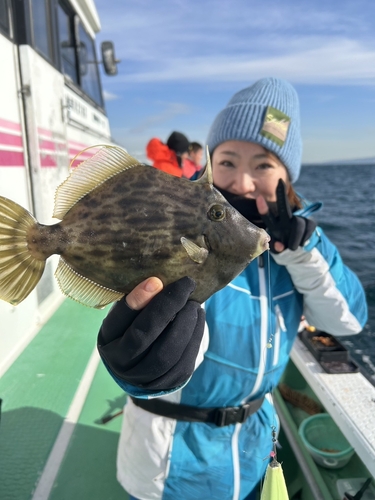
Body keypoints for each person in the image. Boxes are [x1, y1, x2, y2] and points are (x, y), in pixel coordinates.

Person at [97, 77, 367, 500]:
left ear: (286, 175)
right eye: (226, 162)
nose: (242, 183)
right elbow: (181, 328)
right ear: (208, 163)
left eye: (263, 164)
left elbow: (346, 320)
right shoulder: (179, 232)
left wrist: (303, 251)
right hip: (168, 462)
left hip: (255, 451)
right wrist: (144, 361)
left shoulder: (303, 246)